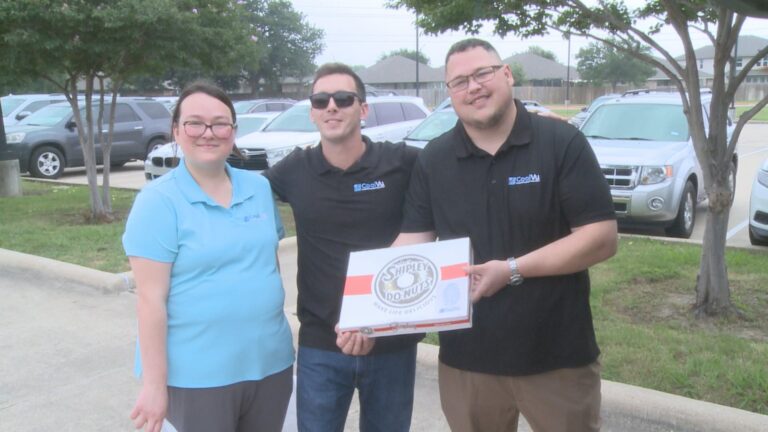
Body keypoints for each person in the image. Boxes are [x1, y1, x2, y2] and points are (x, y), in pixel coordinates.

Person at [394, 38, 619, 432]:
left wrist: (512, 269)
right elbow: (411, 244)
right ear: (449, 93)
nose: (473, 87)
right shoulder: (434, 159)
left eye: (482, 73)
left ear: (507, 74)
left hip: (558, 358)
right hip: (467, 361)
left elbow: (600, 236)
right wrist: (366, 307)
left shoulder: (561, 143)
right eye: (459, 81)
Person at [123, 81, 294, 432]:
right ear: (176, 131)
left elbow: (267, 263)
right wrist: (155, 387)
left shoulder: (258, 188)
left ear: (233, 130)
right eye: (195, 123)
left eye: (220, 123)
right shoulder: (158, 201)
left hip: (270, 363)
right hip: (198, 375)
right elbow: (150, 300)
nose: (208, 133)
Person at [263, 63, 423, 432]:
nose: (331, 106)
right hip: (321, 343)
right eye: (321, 100)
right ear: (313, 112)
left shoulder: (400, 163)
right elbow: (235, 193)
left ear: (363, 109)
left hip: (391, 341)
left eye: (343, 98)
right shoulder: (294, 170)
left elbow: (454, 165)